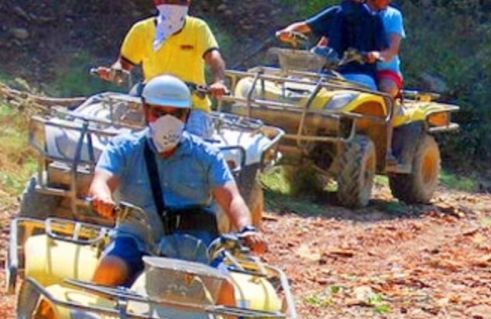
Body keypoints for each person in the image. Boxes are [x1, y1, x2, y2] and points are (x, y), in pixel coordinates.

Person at [88, 75, 265, 289]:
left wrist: (247, 229)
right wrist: (103, 199)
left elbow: (232, 198)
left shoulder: (207, 155)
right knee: (110, 268)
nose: (167, 122)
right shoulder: (123, 148)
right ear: (145, 110)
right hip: (137, 242)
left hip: (195, 248)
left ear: (187, 115)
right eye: (159, 113)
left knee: (225, 290)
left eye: (176, 114)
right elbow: (102, 181)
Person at [96, 0, 227, 138]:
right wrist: (115, 73)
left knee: (193, 146)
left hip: (192, 105)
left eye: (180, 1)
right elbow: (123, 64)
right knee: (126, 142)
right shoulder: (142, 30)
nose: (174, 6)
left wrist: (219, 82)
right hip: (152, 103)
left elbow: (214, 58)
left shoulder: (198, 28)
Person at [276, 0, 387, 90]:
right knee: (296, 87)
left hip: (359, 74)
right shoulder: (335, 13)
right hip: (330, 74)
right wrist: (287, 32)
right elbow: (305, 26)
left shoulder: (373, 19)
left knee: (363, 91)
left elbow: (384, 51)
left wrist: (373, 55)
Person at [367, 0, 406, 100]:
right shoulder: (355, 11)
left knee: (387, 88)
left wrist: (376, 55)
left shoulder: (393, 15)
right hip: (358, 68)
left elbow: (392, 51)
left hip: (385, 70)